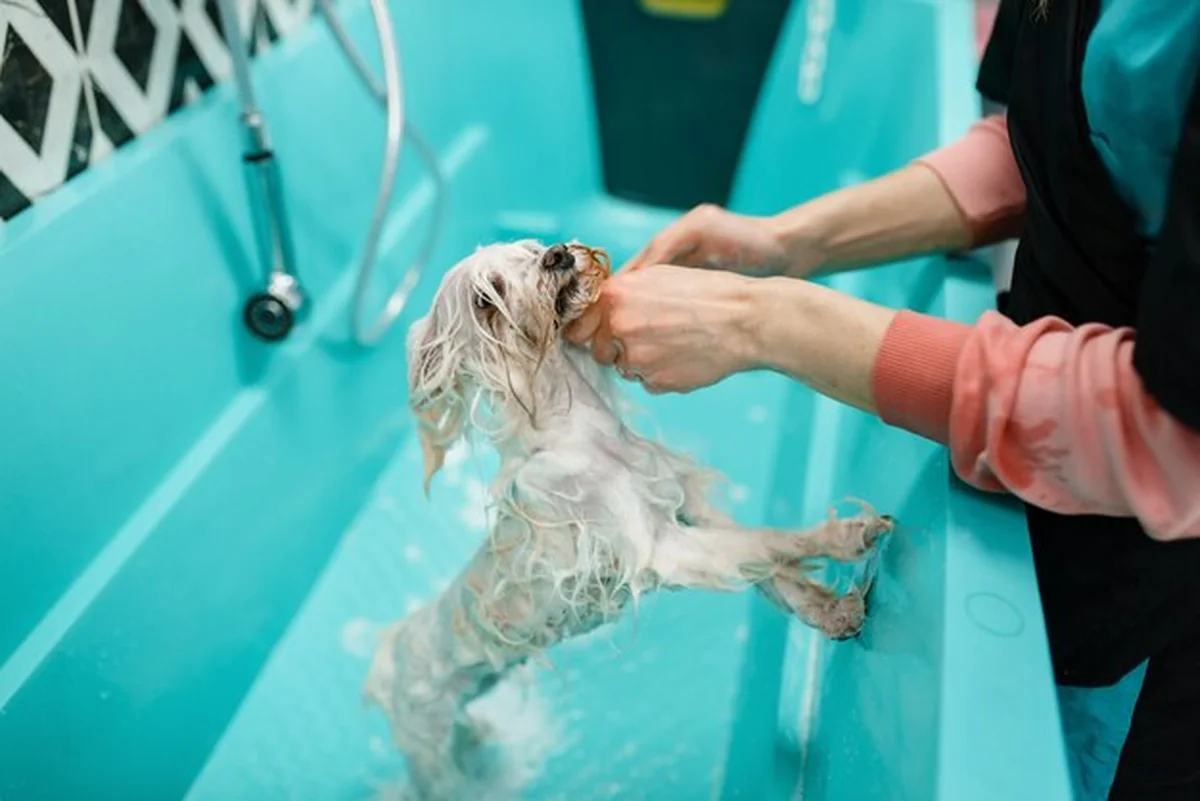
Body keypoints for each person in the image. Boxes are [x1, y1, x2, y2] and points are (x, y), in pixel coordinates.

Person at [566, 1, 1200, 799]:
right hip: (1027, 489)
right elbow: (1048, 144)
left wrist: (764, 323)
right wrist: (792, 241)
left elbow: (1174, 438)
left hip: (1151, 578)